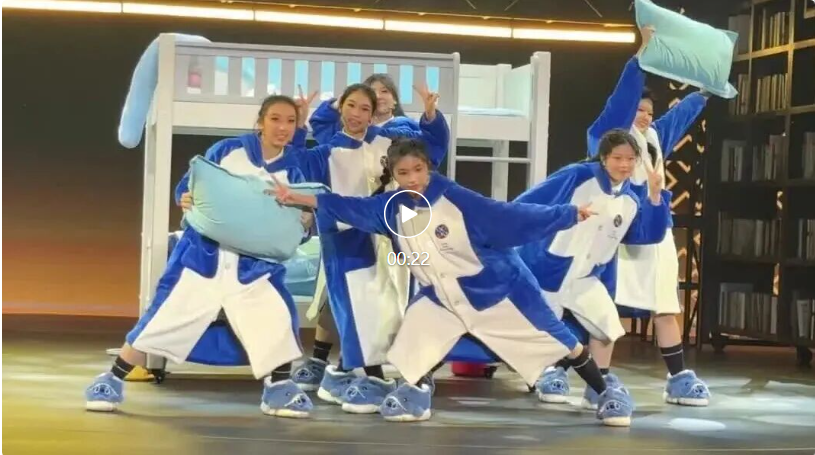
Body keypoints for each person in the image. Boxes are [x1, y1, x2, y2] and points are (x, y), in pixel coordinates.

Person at [269, 137, 636, 426]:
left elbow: (510, 216)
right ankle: (414, 391)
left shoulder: (456, 199)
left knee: (561, 342)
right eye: (403, 172)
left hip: (496, 291)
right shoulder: (391, 207)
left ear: (428, 167)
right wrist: (296, 197)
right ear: (394, 175)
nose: (412, 178)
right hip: (441, 296)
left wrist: (567, 214)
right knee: (415, 336)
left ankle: (604, 391)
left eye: (418, 170)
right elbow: (345, 205)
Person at [84, 95, 318, 418]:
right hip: (205, 254)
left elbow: (302, 219)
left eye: (290, 121)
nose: (283, 127)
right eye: (275, 119)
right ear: (260, 121)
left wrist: (305, 221)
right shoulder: (229, 150)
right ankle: (112, 378)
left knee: (275, 315)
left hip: (255, 264)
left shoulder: (295, 168)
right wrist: (185, 196)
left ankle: (278, 388)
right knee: (167, 314)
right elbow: (191, 184)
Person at [289, 83, 450, 414]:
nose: (357, 114)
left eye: (365, 108)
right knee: (356, 309)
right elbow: (292, 164)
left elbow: (430, 152)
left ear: (373, 113)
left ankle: (366, 375)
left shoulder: (388, 143)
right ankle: (370, 377)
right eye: (351, 105)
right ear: (341, 109)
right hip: (344, 240)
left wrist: (431, 116)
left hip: (388, 237)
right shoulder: (326, 152)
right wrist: (300, 123)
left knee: (393, 307)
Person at [582, 25, 711, 406]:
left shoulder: (653, 138)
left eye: (649, 112)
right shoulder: (608, 135)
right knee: (605, 309)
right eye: (638, 110)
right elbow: (622, 98)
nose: (644, 116)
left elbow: (678, 117)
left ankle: (678, 377)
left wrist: (707, 91)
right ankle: (594, 381)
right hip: (617, 232)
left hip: (656, 230)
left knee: (665, 303)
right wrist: (641, 56)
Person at [515, 129, 673, 412]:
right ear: (603, 158)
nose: (624, 165)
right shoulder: (578, 176)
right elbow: (528, 201)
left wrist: (655, 195)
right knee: (533, 334)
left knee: (606, 326)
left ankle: (596, 388)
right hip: (548, 272)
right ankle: (548, 375)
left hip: (585, 278)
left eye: (630, 159)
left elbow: (647, 235)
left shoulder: (630, 200)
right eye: (617, 158)